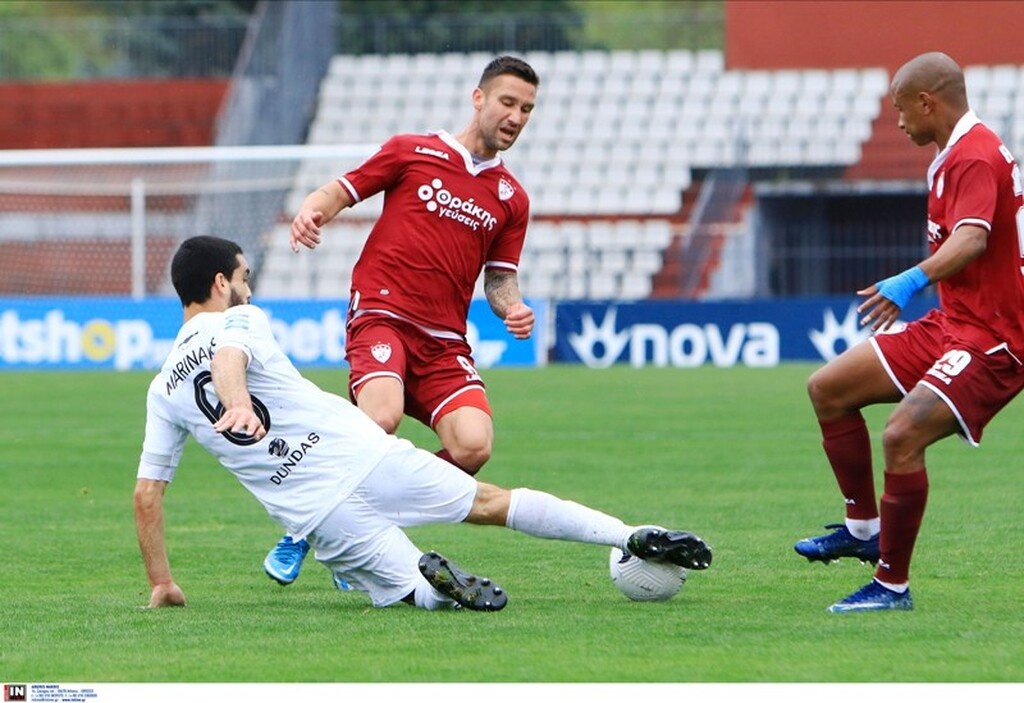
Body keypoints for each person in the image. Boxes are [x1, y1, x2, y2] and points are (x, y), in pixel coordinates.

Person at [134, 235, 713, 611]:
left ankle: (432, 584)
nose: (249, 287)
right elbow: (226, 358)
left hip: (314, 511)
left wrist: (163, 582)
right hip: (366, 453)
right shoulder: (241, 320)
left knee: (407, 590)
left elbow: (147, 495)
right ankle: (625, 534)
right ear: (219, 284)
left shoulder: (162, 390)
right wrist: (235, 399)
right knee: (494, 502)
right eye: (244, 276)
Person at [262, 55, 540, 585]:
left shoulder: (512, 198)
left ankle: (365, 520)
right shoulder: (413, 150)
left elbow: (500, 279)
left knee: (474, 445)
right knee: (381, 417)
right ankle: (305, 525)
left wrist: (513, 307)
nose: (516, 116)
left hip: (444, 342)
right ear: (478, 98)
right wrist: (310, 211)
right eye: (508, 102)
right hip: (383, 312)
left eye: (526, 109)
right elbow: (341, 190)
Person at [794, 52, 1024, 613]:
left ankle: (890, 586)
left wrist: (908, 281)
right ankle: (862, 528)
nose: (898, 122)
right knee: (829, 388)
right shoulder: (955, 153)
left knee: (901, 437)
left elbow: (971, 239)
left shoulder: (972, 156)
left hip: (993, 340)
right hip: (953, 323)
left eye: (901, 110)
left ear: (928, 103)